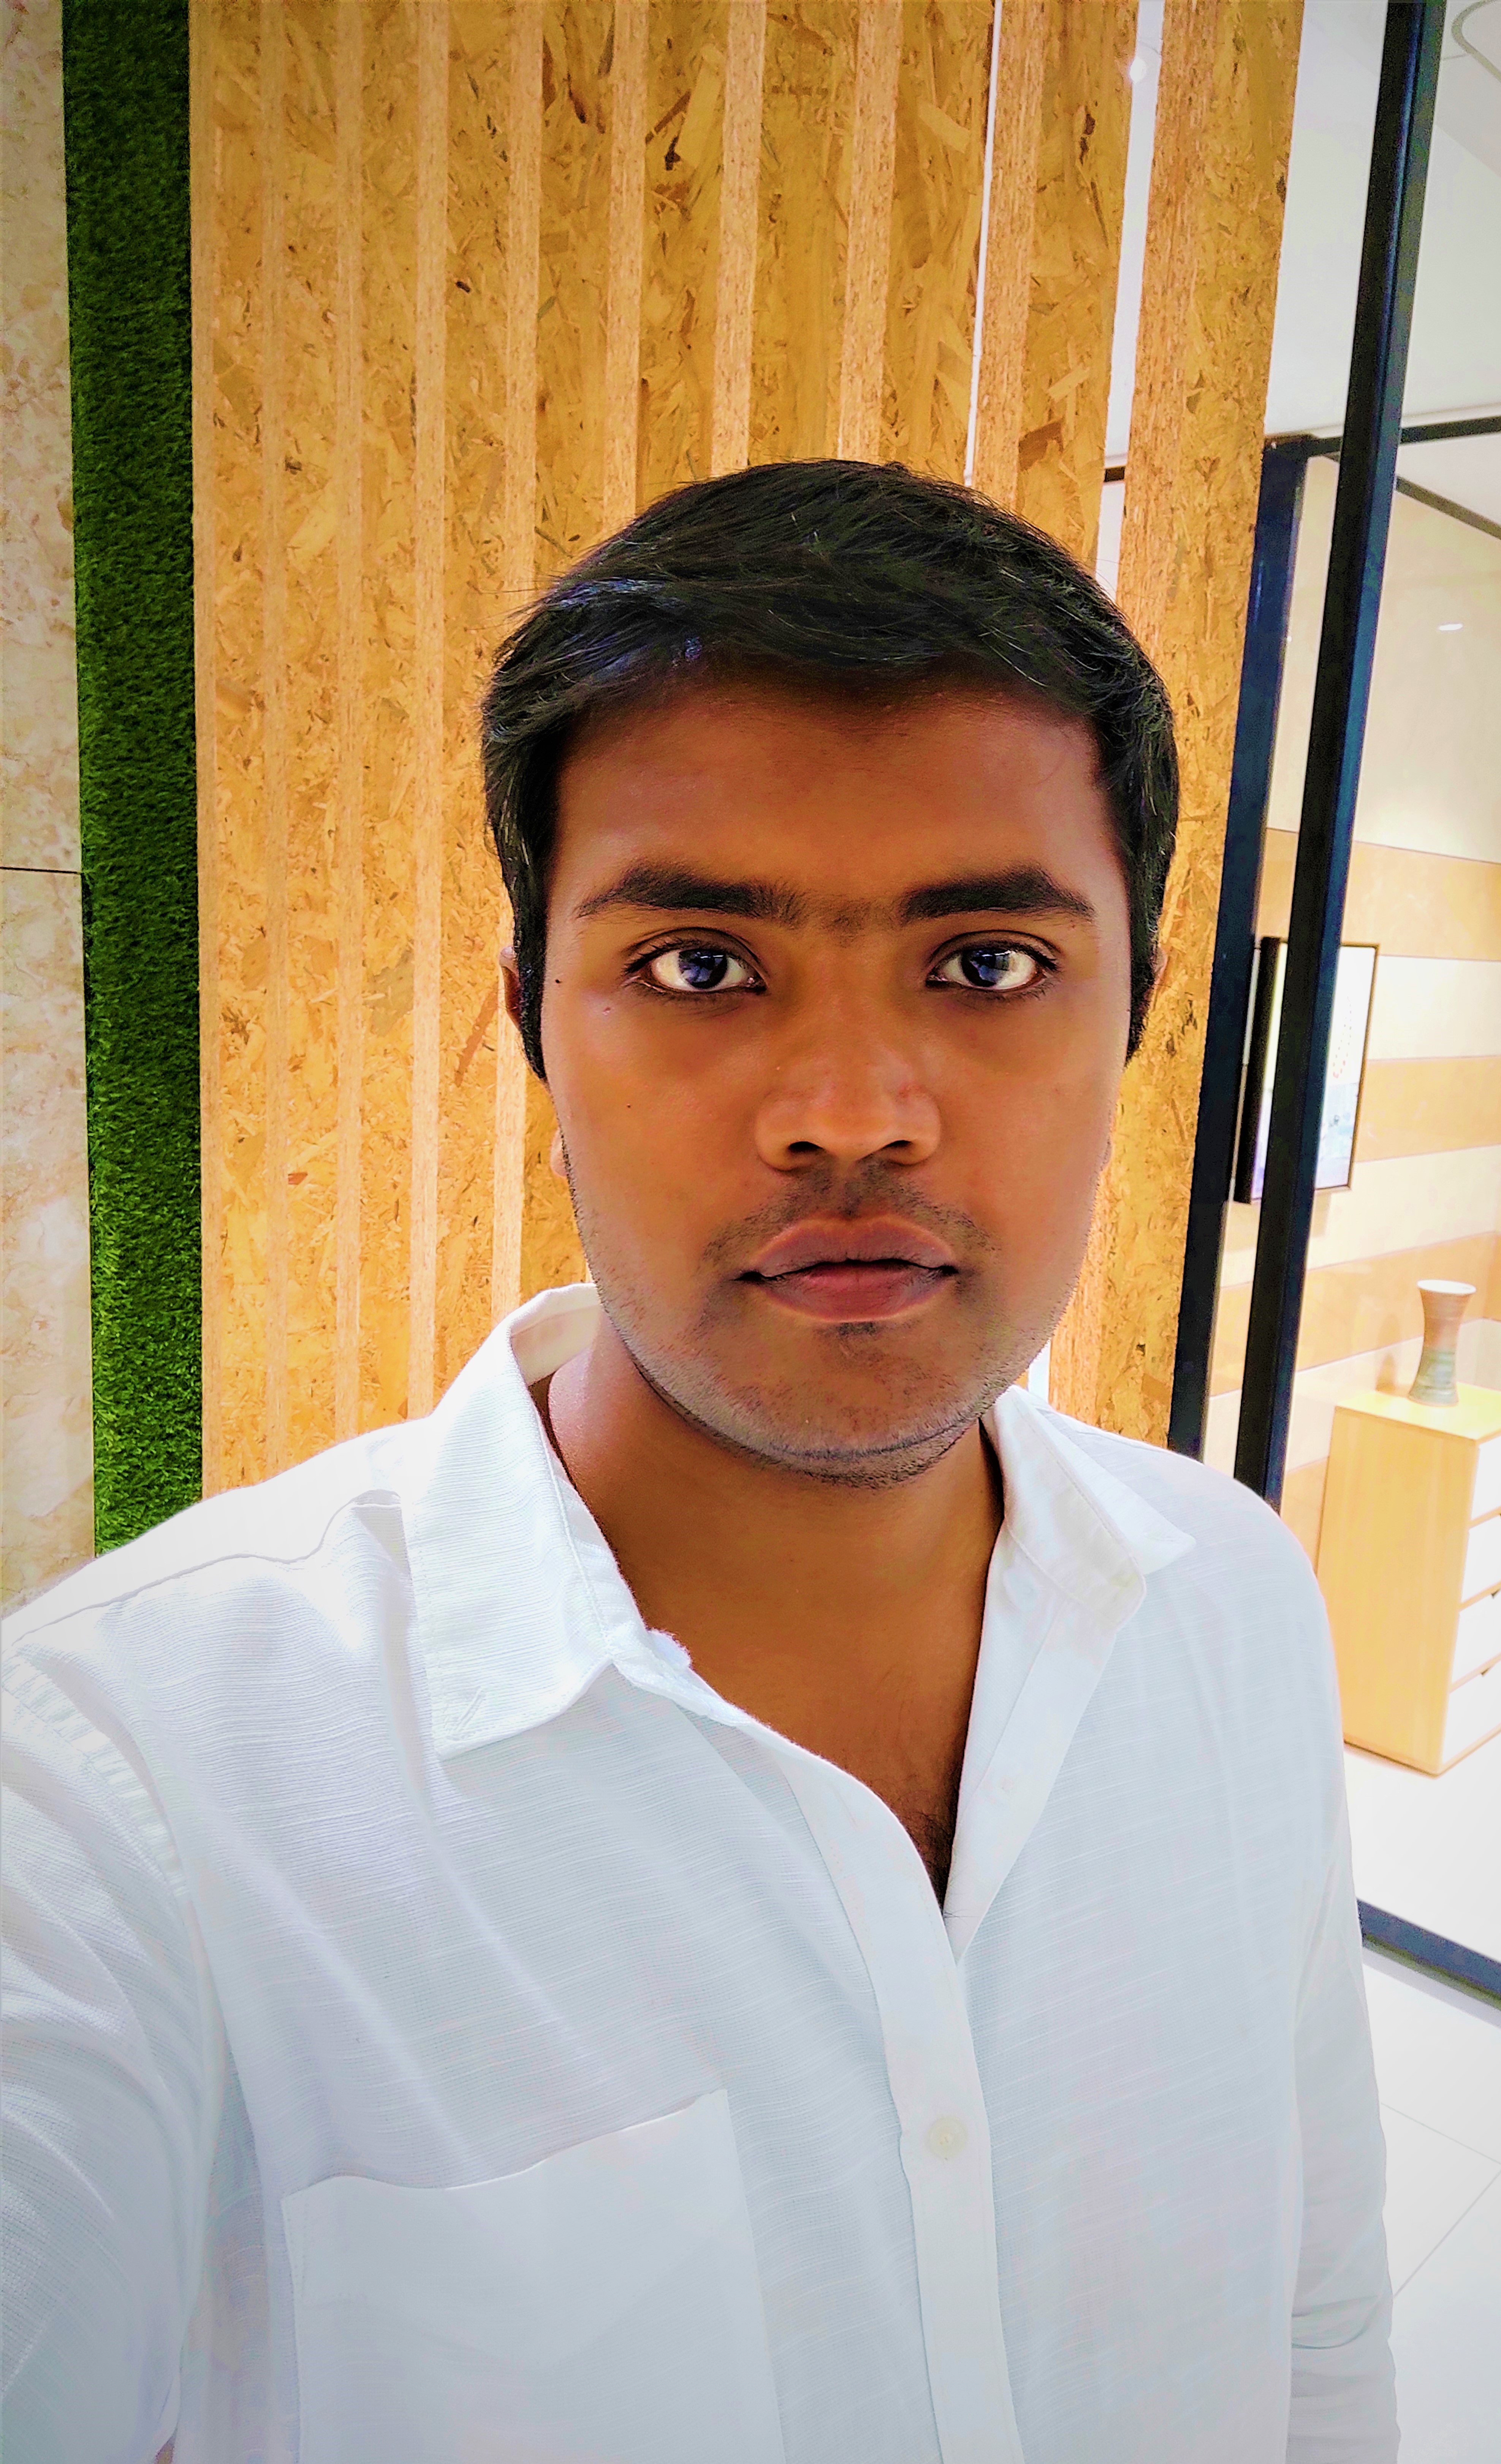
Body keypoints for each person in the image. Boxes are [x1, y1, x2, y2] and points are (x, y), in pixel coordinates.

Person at [1, 460, 1394, 2464]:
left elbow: (1317, 2325)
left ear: (1137, 1020)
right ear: (534, 1023)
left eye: (988, 962)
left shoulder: (1236, 1604)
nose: (851, 1112)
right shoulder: (121, 1797)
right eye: (700, 966)